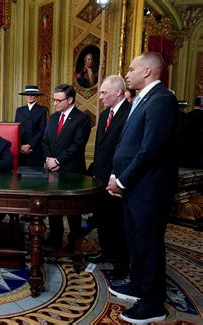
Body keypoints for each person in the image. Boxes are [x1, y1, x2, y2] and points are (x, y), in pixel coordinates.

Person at [107, 52, 178, 323]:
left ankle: (153, 303)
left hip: (149, 190)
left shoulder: (162, 100)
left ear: (147, 71)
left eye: (132, 68)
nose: (127, 73)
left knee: (148, 245)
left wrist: (122, 180)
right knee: (135, 242)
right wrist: (117, 175)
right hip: (134, 187)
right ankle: (138, 285)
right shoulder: (142, 99)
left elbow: (150, 149)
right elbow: (128, 145)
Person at [85, 75, 130, 280]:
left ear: (118, 92)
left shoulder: (129, 114)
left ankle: (122, 262)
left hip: (117, 178)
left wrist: (116, 176)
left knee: (118, 222)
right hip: (101, 177)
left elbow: (126, 149)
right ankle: (106, 251)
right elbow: (100, 149)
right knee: (103, 218)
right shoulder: (104, 115)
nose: (100, 96)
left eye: (104, 92)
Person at [42, 84, 91, 252]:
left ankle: (73, 242)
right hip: (52, 170)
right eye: (54, 100)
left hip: (72, 171)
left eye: (59, 100)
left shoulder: (82, 118)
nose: (55, 103)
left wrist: (58, 161)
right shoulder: (53, 118)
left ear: (70, 100)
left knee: (72, 211)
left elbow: (77, 145)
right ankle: (55, 238)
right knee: (54, 207)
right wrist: (49, 159)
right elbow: (45, 141)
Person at [15, 85, 48, 167]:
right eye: (28, 94)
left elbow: (42, 130)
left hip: (35, 148)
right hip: (21, 149)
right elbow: (16, 130)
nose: (30, 96)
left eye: (32, 94)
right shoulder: (19, 110)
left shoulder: (42, 110)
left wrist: (29, 145)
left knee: (36, 176)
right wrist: (20, 147)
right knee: (20, 176)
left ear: (37, 96)